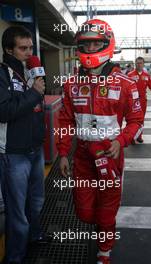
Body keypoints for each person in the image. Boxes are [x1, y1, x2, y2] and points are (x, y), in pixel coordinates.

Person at [58, 19, 144, 264]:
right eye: (86, 44)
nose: (91, 48)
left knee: (107, 209)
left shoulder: (127, 83)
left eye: (96, 43)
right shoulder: (71, 84)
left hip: (110, 155)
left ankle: (104, 251)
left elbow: (137, 120)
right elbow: (64, 121)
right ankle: (100, 230)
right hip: (83, 156)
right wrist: (63, 153)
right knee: (85, 212)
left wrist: (122, 140)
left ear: (107, 44)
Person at [0, 26, 49, 264]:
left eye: (31, 48)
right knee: (17, 212)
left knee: (36, 200)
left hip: (35, 149)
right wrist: (33, 93)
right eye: (23, 48)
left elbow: (36, 110)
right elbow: (3, 111)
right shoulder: (2, 74)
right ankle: (15, 258)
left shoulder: (31, 71)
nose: (29, 52)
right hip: (13, 154)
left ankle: (35, 235)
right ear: (9, 49)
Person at [128, 56, 151, 143]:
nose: (139, 65)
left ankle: (139, 135)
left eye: (141, 63)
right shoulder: (130, 75)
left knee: (141, 119)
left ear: (143, 64)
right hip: (132, 101)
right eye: (137, 63)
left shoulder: (147, 76)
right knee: (132, 119)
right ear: (135, 64)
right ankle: (132, 136)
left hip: (142, 101)